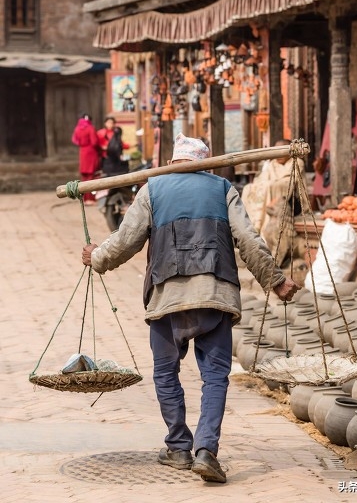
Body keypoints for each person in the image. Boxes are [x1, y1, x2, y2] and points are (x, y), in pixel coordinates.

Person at [81, 133, 301, 484]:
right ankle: (205, 451)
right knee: (215, 376)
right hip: (215, 296)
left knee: (166, 373)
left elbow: (125, 241)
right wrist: (276, 281)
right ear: (204, 161)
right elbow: (248, 239)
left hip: (167, 300)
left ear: (172, 163)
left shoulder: (152, 189)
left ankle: (179, 447)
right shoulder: (223, 188)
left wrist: (98, 258)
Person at [71, 113, 100, 205]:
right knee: (91, 175)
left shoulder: (77, 128)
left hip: (82, 152)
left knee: (84, 176)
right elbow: (94, 142)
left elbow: (75, 140)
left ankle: (84, 198)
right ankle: (91, 198)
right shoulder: (90, 128)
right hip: (91, 152)